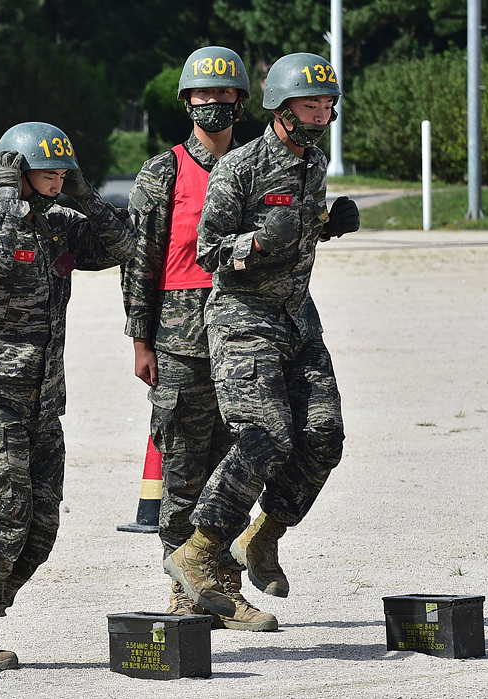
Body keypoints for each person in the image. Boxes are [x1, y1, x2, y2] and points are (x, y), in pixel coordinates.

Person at [0, 121, 135, 672]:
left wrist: (87, 197)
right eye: (47, 171)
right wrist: (10, 198)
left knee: (39, 527)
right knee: (1, 520)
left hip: (42, 403)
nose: (57, 181)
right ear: (13, 170)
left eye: (63, 172)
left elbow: (121, 244)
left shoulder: (60, 227)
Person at [163, 53, 361, 617]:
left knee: (325, 436)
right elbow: (210, 252)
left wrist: (325, 225)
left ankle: (264, 537)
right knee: (265, 433)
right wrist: (259, 242)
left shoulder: (313, 161)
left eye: (327, 104)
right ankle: (199, 550)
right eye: (309, 104)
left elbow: (294, 229)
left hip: (298, 318)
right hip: (243, 318)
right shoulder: (240, 168)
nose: (321, 114)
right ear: (279, 106)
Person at [123, 46, 276, 632]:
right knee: (185, 465)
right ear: (187, 101)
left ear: (240, 99)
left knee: (237, 463)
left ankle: (224, 588)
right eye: (201, 95)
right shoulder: (162, 173)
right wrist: (141, 340)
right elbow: (140, 261)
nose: (212, 103)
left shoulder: (260, 165)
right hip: (179, 334)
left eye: (222, 94)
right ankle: (185, 592)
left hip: (245, 328)